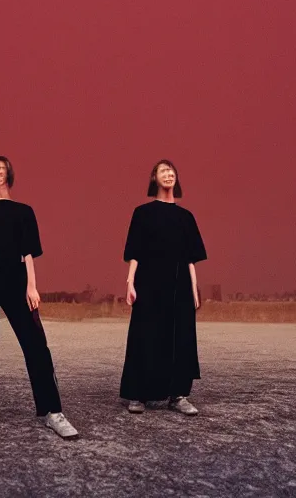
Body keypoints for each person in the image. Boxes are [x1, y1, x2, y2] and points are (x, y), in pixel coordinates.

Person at [0, 156, 78, 439]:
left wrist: (31, 286)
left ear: (9, 174)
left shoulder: (24, 211)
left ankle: (52, 411)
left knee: (35, 343)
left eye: (2, 167)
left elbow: (29, 251)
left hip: (15, 277)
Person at [120, 160, 207, 415]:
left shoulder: (186, 217)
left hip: (179, 285)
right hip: (148, 283)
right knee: (144, 336)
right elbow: (134, 251)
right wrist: (130, 282)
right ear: (154, 179)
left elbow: (190, 257)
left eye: (171, 171)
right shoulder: (142, 213)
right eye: (162, 171)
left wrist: (194, 289)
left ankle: (178, 395)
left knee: (181, 338)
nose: (168, 174)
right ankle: (137, 395)